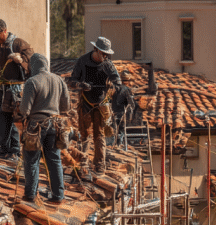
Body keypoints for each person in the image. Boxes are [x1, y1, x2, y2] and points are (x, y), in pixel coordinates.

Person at [14, 53, 70, 204]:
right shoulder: (59, 80)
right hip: (55, 125)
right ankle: (58, 195)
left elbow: (25, 110)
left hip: (35, 126)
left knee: (32, 160)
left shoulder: (32, 82)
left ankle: (30, 195)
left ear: (33, 66)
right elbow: (66, 107)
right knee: (54, 160)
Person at [0, 19, 33, 160]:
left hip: (16, 88)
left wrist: (21, 59)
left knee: (14, 119)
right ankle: (4, 149)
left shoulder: (18, 43)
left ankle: (15, 151)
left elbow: (32, 60)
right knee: (1, 120)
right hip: (1, 87)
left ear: (5, 31)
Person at [70, 36, 120, 173]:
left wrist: (115, 84)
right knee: (84, 134)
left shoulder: (108, 64)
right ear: (95, 49)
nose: (105, 56)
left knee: (99, 135)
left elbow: (117, 80)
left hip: (101, 104)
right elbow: (72, 81)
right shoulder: (82, 61)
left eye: (107, 54)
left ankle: (99, 164)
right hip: (85, 102)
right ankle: (83, 162)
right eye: (103, 53)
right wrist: (80, 85)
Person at [107, 75, 135, 147]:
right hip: (117, 112)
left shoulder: (119, 89)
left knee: (118, 128)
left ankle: (116, 143)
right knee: (118, 128)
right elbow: (131, 103)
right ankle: (116, 143)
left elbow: (131, 103)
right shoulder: (122, 89)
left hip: (118, 111)